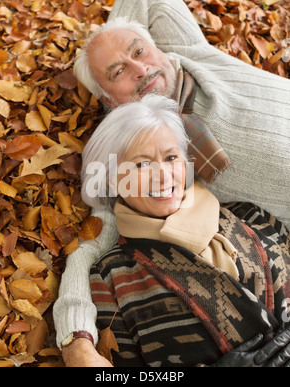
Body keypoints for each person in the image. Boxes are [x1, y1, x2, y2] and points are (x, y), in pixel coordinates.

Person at [53, 0, 290, 366]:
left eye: (139, 51)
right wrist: (76, 341)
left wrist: (106, 39)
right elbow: (91, 246)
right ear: (107, 100)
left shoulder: (193, 55)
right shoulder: (133, 156)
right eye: (117, 72)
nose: (140, 69)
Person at [85, 94, 290, 366]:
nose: (164, 175)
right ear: (112, 180)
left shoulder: (251, 215)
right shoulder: (110, 276)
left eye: (171, 157)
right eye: (142, 164)